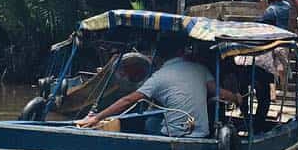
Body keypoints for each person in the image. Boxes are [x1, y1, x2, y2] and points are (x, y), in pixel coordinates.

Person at [78, 34, 236, 137]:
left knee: (150, 122)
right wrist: (237, 98)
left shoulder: (158, 77)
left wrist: (96, 117)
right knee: (153, 118)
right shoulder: (201, 69)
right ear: (182, 52)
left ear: (159, 56)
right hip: (202, 134)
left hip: (174, 136)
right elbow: (219, 92)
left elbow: (127, 101)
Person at [238, 0, 292, 126]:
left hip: (253, 65)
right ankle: (259, 121)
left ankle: (247, 117)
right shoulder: (286, 7)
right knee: (264, 96)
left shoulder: (269, 12)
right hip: (271, 57)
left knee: (246, 91)